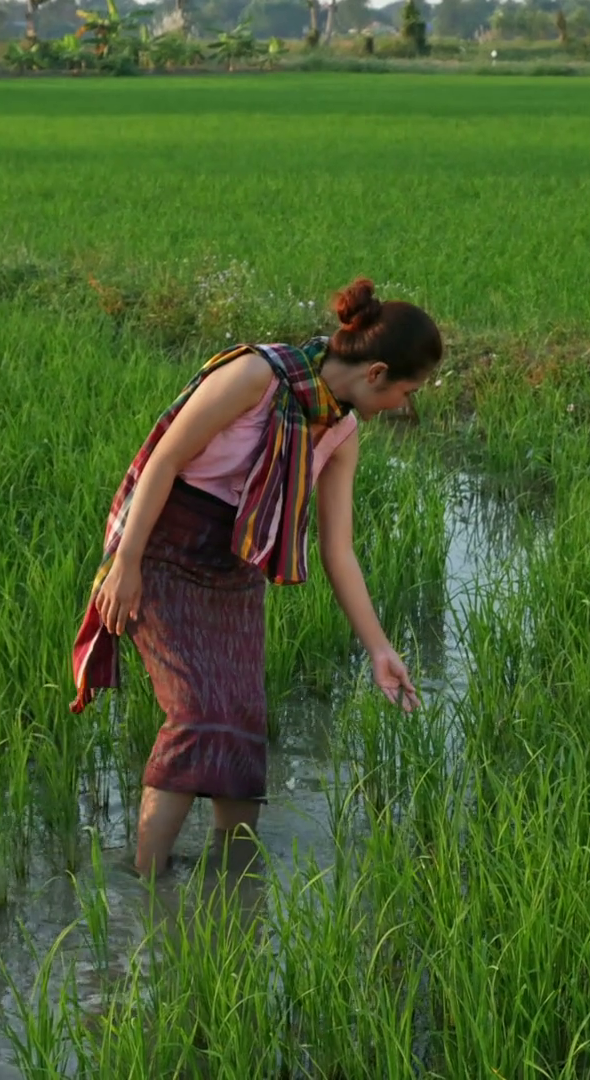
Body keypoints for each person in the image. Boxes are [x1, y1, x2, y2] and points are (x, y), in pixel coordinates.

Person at [70, 278, 440, 878]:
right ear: (376, 373)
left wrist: (379, 651)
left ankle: (234, 889)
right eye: (409, 390)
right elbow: (164, 459)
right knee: (196, 713)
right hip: (163, 549)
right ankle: (146, 894)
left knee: (242, 724)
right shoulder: (255, 376)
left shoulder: (340, 430)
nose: (407, 406)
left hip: (237, 564)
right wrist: (127, 563)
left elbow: (337, 551)